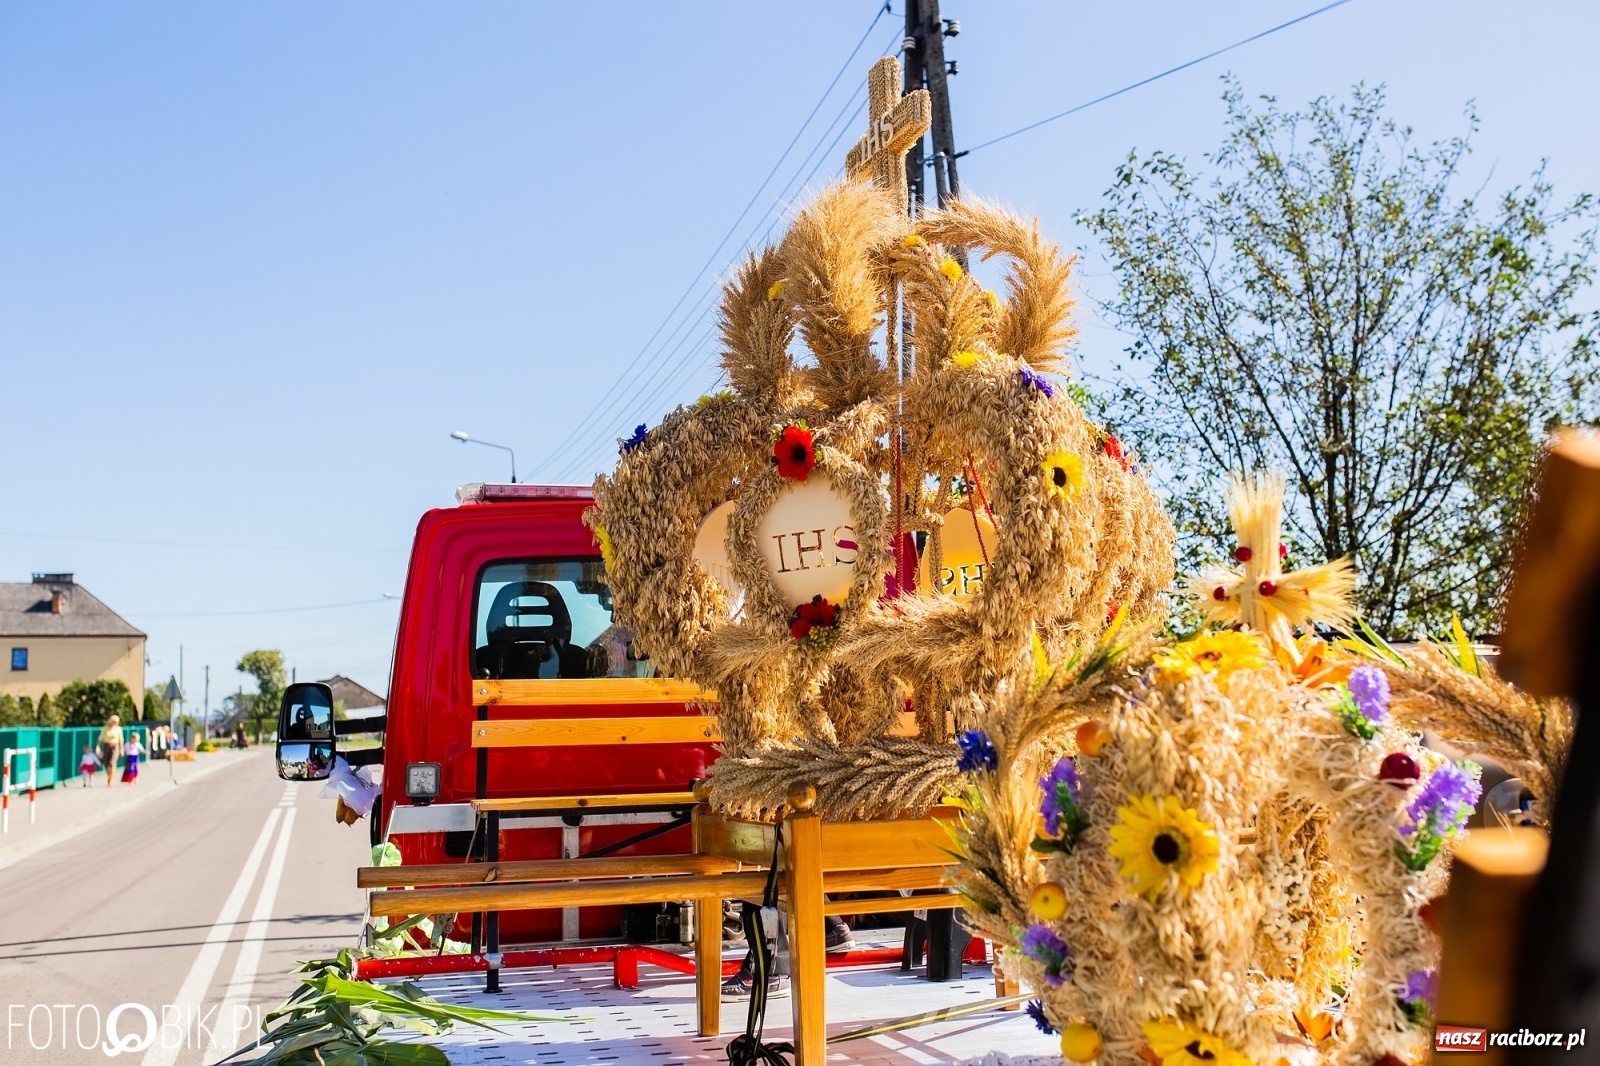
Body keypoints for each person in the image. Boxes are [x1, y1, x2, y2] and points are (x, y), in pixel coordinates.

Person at [97, 715, 123, 788]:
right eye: (114, 722)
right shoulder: (105, 729)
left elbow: (121, 739)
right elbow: (100, 738)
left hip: (115, 746)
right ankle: (109, 776)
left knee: (112, 763)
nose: (115, 723)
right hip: (107, 745)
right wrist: (98, 747)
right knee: (106, 763)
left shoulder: (118, 729)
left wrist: (121, 749)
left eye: (116, 722)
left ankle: (111, 779)